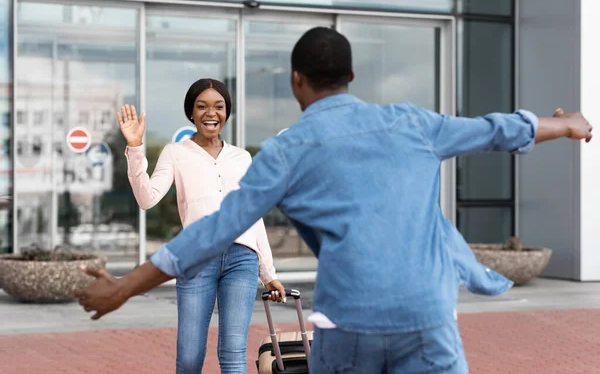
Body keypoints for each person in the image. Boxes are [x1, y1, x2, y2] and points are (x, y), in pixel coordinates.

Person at [75, 28, 593, 373]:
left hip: (349, 323)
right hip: (428, 317)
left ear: (297, 80)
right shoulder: (412, 122)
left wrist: (126, 287)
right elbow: (496, 130)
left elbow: (214, 229)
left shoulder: (284, 152)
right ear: (351, 79)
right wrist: (566, 124)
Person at [114, 78, 286, 374]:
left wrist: (268, 274)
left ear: (226, 112)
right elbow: (147, 198)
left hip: (242, 258)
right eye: (202, 106)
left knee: (234, 354)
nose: (211, 113)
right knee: (190, 357)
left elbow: (252, 216)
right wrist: (135, 148)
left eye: (219, 106)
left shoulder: (241, 157)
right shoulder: (175, 152)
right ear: (191, 113)